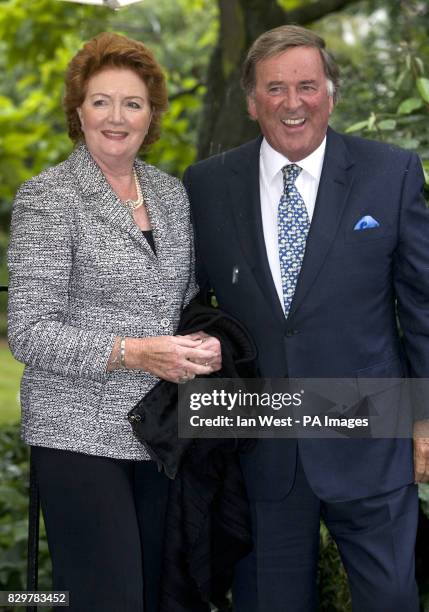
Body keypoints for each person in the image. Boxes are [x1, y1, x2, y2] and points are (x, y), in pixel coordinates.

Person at [183, 25, 429, 612]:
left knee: (391, 600)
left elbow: (422, 306)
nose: (294, 103)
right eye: (276, 88)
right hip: (259, 446)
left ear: (331, 94)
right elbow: (187, 306)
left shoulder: (389, 174)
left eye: (308, 86)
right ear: (251, 101)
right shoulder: (207, 187)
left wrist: (426, 418)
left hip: (373, 437)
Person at [7, 32, 221, 612]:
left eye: (132, 103)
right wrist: (130, 351)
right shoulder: (48, 197)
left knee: (157, 596)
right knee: (110, 598)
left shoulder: (172, 195)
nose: (116, 117)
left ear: (151, 115)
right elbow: (28, 329)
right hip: (77, 433)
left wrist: (204, 341)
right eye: (101, 101)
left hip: (158, 431)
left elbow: (184, 300)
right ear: (79, 111)